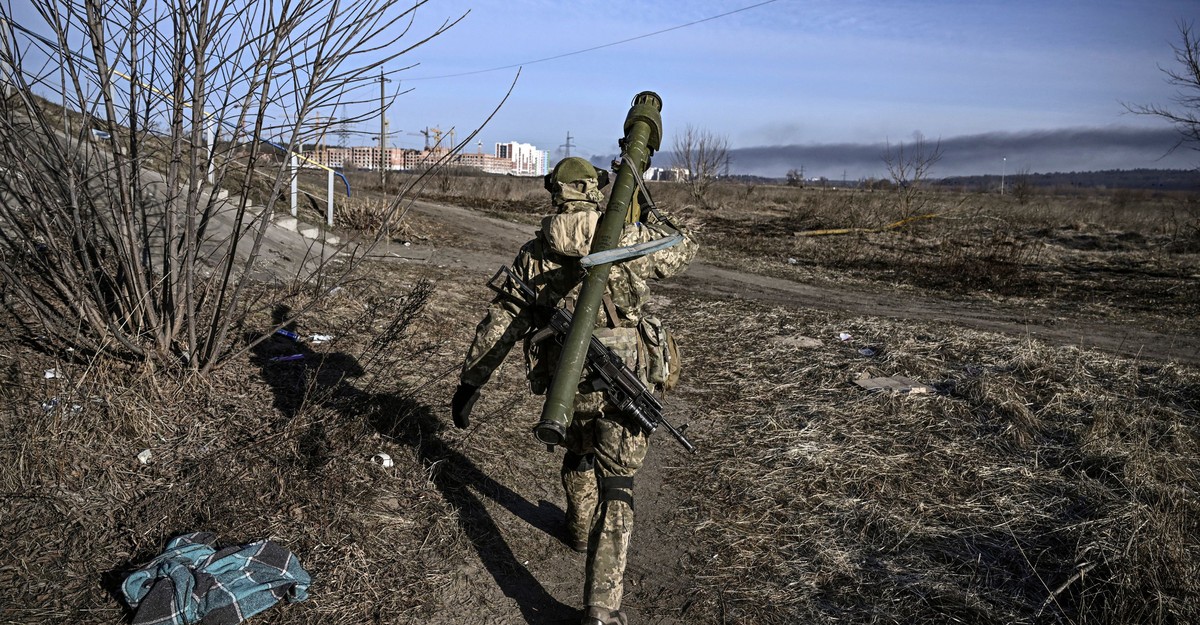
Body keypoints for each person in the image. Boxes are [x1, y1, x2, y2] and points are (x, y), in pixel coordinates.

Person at [450, 156, 697, 625]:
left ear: (555, 192)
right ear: (596, 189)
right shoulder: (625, 239)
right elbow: (684, 246)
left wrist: (471, 382)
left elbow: (503, 321)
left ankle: (579, 529)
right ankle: (601, 608)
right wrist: (644, 203)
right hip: (625, 377)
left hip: (567, 383)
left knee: (579, 450)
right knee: (617, 483)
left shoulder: (536, 253)